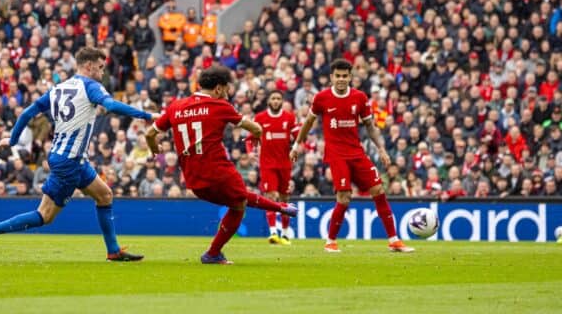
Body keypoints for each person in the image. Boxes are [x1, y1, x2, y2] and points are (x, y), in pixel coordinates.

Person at [0, 48, 158, 261]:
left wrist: (12, 140)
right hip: (69, 161)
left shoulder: (58, 88)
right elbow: (111, 105)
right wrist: (147, 115)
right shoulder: (91, 86)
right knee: (45, 215)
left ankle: (113, 250)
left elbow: (26, 113)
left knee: (105, 195)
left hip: (73, 158)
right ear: (88, 66)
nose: (102, 71)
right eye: (100, 67)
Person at [145, 65, 297, 264]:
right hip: (217, 170)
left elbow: (149, 134)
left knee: (238, 202)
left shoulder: (176, 106)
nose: (227, 94)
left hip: (192, 179)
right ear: (218, 89)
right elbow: (257, 128)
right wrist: (256, 136)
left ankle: (217, 251)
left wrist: (154, 149)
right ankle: (215, 252)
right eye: (226, 89)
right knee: (240, 201)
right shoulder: (220, 106)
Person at [290, 59, 414, 253]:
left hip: (356, 151)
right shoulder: (322, 98)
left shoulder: (360, 97)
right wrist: (297, 145)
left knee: (378, 189)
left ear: (350, 77)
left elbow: (370, 127)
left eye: (344, 76)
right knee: (345, 196)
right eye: (337, 76)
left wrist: (381, 148)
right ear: (331, 77)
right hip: (336, 154)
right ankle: (330, 241)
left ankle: (394, 240)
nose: (341, 79)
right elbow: (308, 123)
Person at [252, 90, 298, 245]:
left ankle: (285, 235)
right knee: (271, 197)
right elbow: (252, 137)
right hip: (267, 165)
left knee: (285, 199)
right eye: (273, 98)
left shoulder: (289, 118)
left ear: (282, 101)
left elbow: (298, 137)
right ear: (268, 101)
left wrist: (296, 147)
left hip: (285, 164)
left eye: (279, 98)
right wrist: (251, 151)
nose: (276, 101)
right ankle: (273, 233)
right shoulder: (260, 118)